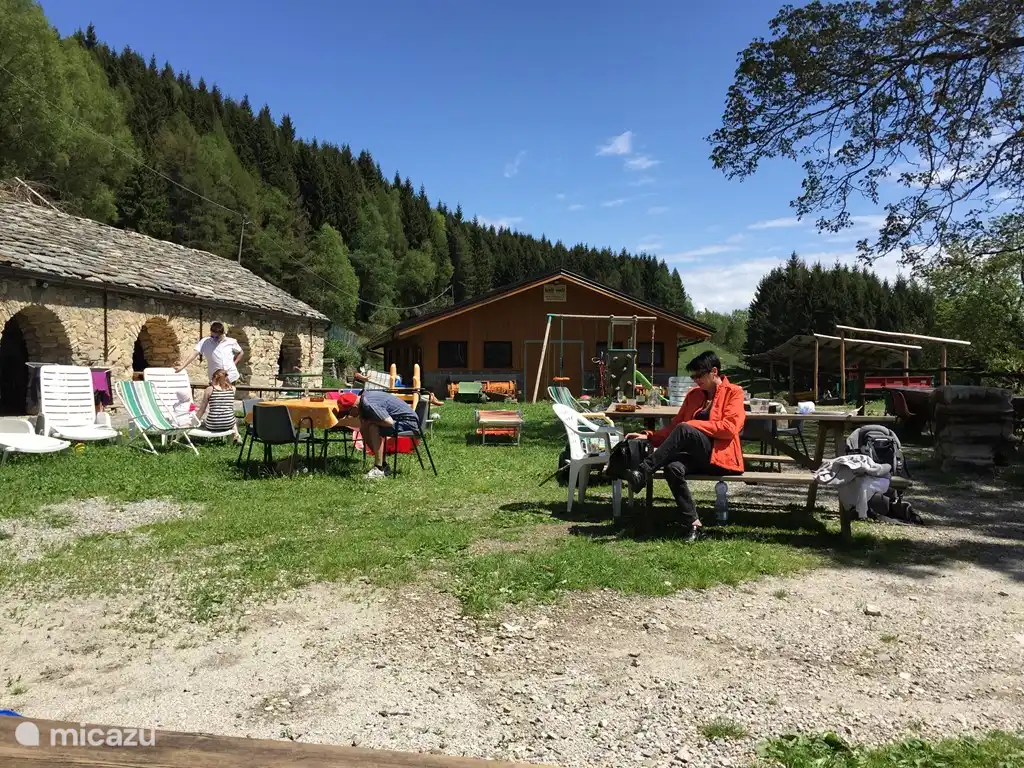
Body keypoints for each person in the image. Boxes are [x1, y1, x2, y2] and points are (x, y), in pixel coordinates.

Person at [622, 351, 746, 543]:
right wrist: (650, 436)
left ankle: (643, 471)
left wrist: (692, 425)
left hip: (721, 458)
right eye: (693, 376)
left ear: (714, 371)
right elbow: (675, 426)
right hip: (696, 457)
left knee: (685, 428)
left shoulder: (734, 392)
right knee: (673, 468)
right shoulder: (694, 395)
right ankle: (694, 525)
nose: (696, 380)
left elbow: (729, 429)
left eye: (699, 375)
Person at [336, 390, 420, 480]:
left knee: (374, 427)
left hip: (408, 423)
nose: (348, 416)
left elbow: (389, 422)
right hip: (398, 420)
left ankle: (378, 469)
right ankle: (383, 465)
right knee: (364, 427)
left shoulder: (369, 404)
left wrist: (370, 421)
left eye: (347, 413)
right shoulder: (362, 401)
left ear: (354, 407)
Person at [175, 322, 244, 384]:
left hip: (231, 376)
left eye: (216, 337)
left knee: (230, 394)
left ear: (222, 333)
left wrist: (234, 363)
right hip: (215, 378)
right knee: (213, 394)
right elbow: (194, 354)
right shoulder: (205, 342)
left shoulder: (231, 342)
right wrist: (182, 367)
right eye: (212, 336)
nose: (214, 338)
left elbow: (241, 352)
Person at [195, 369, 241, 443]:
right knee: (233, 419)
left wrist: (194, 422)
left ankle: (236, 436)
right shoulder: (233, 389)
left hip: (213, 425)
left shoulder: (209, 390)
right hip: (228, 423)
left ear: (214, 378)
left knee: (203, 422)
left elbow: (202, 410)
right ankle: (236, 435)